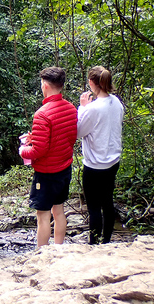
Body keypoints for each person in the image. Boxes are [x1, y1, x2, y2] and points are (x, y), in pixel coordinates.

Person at [19, 66, 78, 247]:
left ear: (45, 85)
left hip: (46, 174)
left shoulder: (42, 115)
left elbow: (38, 151)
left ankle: (41, 255)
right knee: (59, 211)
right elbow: (67, 137)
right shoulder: (71, 108)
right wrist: (35, 138)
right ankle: (58, 250)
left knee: (43, 215)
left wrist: (23, 151)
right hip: (64, 169)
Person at [78, 66, 124, 244]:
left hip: (94, 165)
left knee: (94, 207)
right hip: (112, 161)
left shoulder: (93, 108)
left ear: (91, 83)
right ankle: (106, 241)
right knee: (107, 202)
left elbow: (79, 132)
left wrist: (82, 108)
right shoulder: (117, 102)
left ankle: (93, 244)